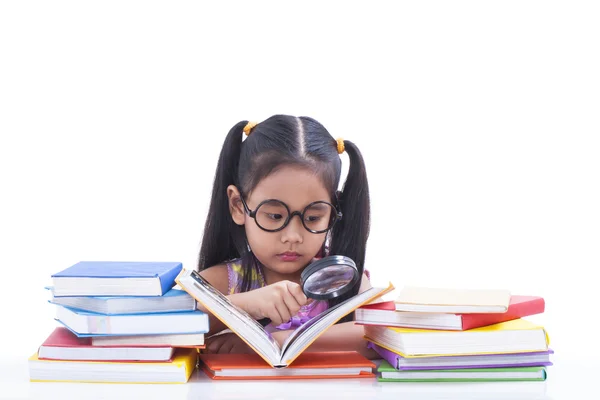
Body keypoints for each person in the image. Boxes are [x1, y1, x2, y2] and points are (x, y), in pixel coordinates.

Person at [197, 114, 375, 358]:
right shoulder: (223, 282)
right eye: (274, 216)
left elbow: (376, 335)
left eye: (313, 218)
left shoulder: (342, 280)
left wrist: (278, 340)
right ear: (239, 206)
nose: (293, 236)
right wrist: (245, 306)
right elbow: (170, 328)